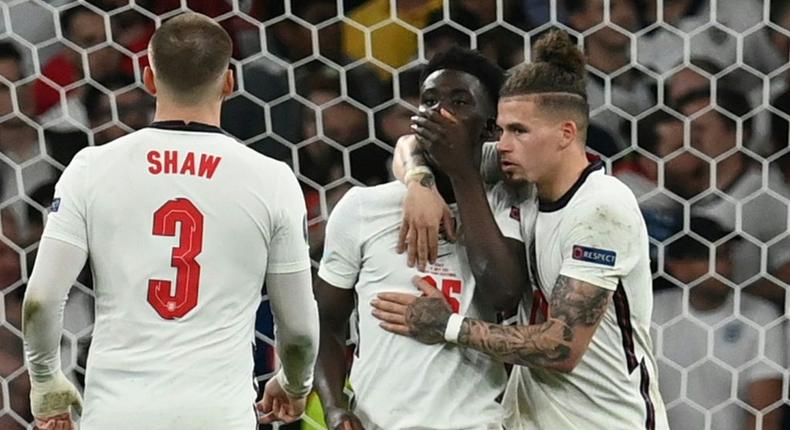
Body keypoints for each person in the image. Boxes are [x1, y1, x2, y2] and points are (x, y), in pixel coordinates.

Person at [22, 13, 319, 430]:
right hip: (218, 414)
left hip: (117, 412)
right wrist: (294, 382)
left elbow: (40, 300)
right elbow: (300, 328)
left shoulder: (91, 167)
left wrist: (45, 381)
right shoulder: (272, 179)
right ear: (229, 82)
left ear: (148, 78)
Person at [373, 30, 669, 429]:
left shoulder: (601, 209)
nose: (503, 143)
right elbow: (415, 144)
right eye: (501, 129)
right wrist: (420, 182)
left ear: (566, 133)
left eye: (519, 131)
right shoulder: (523, 175)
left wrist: (447, 325)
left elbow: (560, 348)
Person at [315, 46, 526, 429]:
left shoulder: (509, 203)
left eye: (459, 101)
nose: (437, 112)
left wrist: (460, 173)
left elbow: (503, 293)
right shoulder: (363, 207)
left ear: (491, 128)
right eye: (429, 101)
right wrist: (334, 408)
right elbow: (325, 325)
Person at [654, 217, 785, 430]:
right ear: (678, 267)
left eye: (726, 255)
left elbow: (765, 413)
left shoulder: (760, 317)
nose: (724, 266)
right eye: (711, 258)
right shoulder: (652, 313)